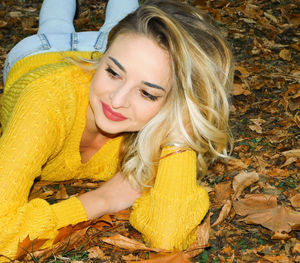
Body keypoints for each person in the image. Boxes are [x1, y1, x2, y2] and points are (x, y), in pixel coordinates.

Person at [0, 0, 233, 260]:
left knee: (121, 29)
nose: (117, 100)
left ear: (175, 105)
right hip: (38, 54)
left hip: (121, 52)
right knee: (54, 25)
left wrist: (179, 136)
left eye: (147, 93)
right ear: (104, 59)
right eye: (112, 73)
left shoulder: (161, 121)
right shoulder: (46, 102)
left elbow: (169, 236)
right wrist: (103, 199)